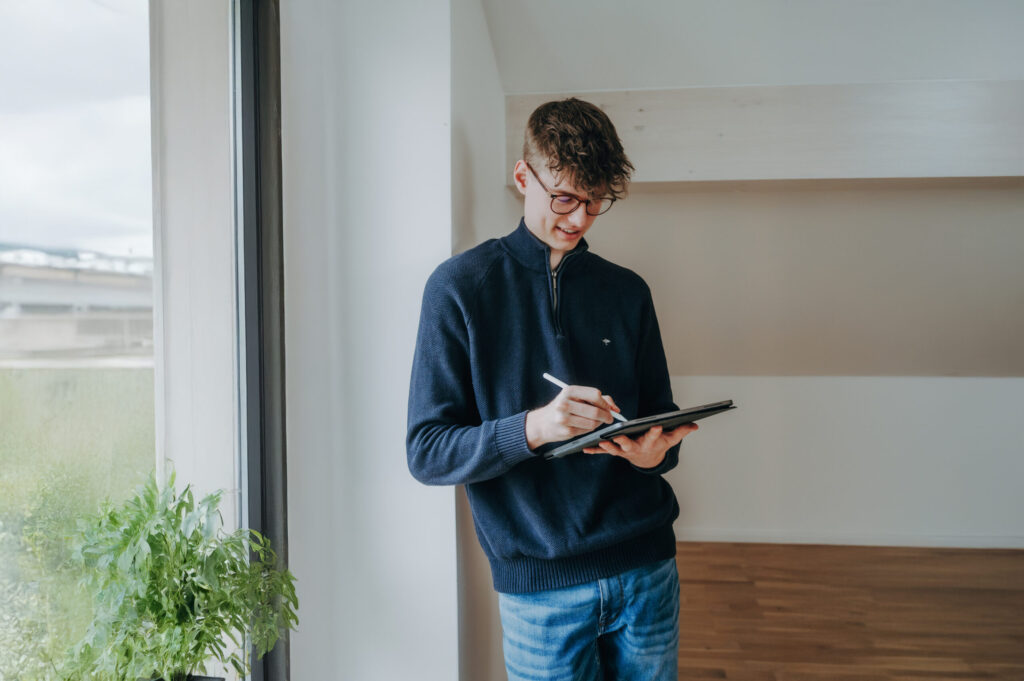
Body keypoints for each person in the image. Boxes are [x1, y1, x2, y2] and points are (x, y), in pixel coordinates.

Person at [407, 97, 698, 681]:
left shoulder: (628, 292)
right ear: (523, 177)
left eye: (595, 202)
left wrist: (653, 454)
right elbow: (428, 452)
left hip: (646, 568)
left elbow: (660, 419)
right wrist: (534, 428)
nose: (579, 219)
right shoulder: (459, 288)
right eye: (564, 197)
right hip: (540, 593)